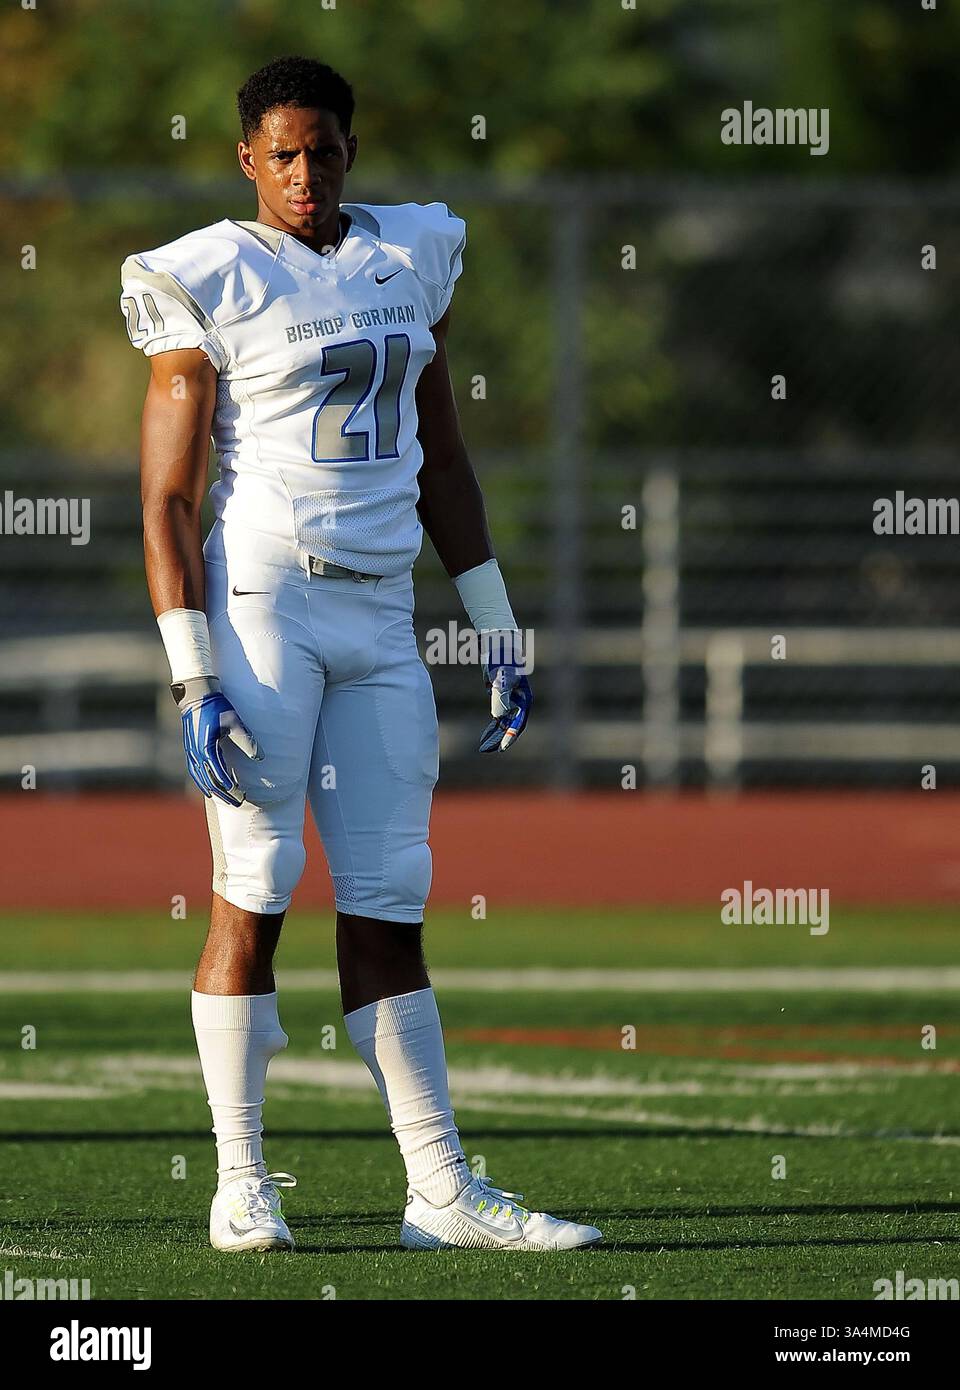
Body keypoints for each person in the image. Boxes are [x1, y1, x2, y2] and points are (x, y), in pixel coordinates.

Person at [121, 54, 600, 1253]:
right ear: (247, 158)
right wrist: (193, 668)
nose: (302, 171)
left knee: (391, 895)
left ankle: (439, 1190)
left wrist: (495, 619)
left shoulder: (414, 252)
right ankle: (239, 1179)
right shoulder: (208, 274)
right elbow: (168, 501)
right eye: (279, 152)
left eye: (321, 148)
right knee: (260, 881)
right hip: (265, 601)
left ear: (350, 148)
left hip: (383, 609)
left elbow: (441, 451)